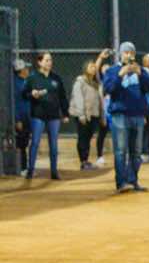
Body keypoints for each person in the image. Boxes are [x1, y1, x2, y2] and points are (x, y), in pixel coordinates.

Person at [102, 41, 149, 192]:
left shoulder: (140, 70)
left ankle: (133, 180)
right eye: (126, 52)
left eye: (131, 53)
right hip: (120, 115)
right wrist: (120, 74)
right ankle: (121, 183)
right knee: (120, 151)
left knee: (136, 152)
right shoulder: (113, 70)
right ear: (121, 54)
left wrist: (140, 74)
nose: (129, 55)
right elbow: (108, 88)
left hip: (138, 114)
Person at [22, 51, 69, 180]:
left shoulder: (56, 78)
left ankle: (54, 172)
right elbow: (24, 94)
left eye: (50, 60)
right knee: (35, 142)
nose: (49, 63)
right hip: (38, 115)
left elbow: (62, 97)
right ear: (39, 62)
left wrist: (65, 113)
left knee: (53, 144)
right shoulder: (32, 78)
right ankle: (30, 170)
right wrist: (32, 94)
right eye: (46, 60)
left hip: (54, 116)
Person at [69, 59, 104, 170]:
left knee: (88, 137)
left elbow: (100, 101)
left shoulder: (96, 83)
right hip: (83, 115)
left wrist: (101, 116)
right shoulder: (80, 82)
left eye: (94, 67)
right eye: (91, 67)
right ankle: (83, 161)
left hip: (93, 115)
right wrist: (81, 114)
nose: (93, 69)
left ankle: (86, 160)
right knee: (83, 137)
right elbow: (78, 98)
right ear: (85, 69)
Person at [13, 58, 32, 174]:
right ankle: (21, 168)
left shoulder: (25, 81)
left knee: (25, 142)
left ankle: (24, 167)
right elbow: (14, 103)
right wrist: (17, 119)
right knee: (21, 143)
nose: (28, 70)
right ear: (20, 70)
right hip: (21, 118)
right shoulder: (15, 83)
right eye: (25, 68)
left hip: (27, 117)